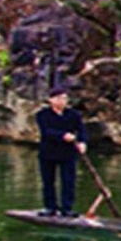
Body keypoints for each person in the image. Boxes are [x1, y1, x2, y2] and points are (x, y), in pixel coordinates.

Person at [36, 85, 87, 217]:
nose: (62, 101)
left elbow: (81, 129)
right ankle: (50, 207)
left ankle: (67, 208)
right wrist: (63, 135)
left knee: (68, 181)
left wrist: (82, 142)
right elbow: (46, 131)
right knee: (48, 181)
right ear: (51, 100)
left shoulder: (74, 115)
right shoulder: (42, 115)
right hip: (48, 152)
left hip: (68, 153)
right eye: (58, 98)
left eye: (64, 98)